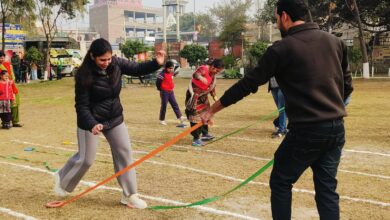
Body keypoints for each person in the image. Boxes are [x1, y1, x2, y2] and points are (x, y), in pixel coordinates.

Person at [201, 1, 353, 219]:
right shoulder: (335, 42)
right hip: (336, 129)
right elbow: (347, 86)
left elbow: (248, 84)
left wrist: (211, 110)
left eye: (275, 18)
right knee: (327, 189)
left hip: (306, 131)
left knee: (281, 181)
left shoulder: (282, 48)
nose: (276, 23)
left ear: (284, 16)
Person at [54, 38, 166, 209]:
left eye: (109, 59)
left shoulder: (116, 64)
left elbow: (137, 69)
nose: (106, 63)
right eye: (102, 60)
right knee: (86, 159)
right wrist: (92, 123)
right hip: (90, 120)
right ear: (92, 56)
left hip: (114, 117)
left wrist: (155, 63)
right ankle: (62, 179)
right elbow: (81, 106)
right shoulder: (84, 74)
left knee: (124, 152)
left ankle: (130, 195)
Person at [185, 59, 224, 147]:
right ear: (213, 67)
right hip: (194, 97)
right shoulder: (204, 68)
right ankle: (196, 139)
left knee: (206, 114)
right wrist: (201, 78)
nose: (217, 72)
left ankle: (205, 134)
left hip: (203, 97)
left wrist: (215, 97)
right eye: (217, 70)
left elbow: (212, 87)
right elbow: (195, 74)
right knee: (195, 117)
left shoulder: (213, 75)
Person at [156, 60, 186, 126]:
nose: (171, 69)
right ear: (166, 67)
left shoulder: (170, 73)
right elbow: (158, 83)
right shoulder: (161, 74)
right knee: (164, 106)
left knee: (175, 104)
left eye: (172, 68)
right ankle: (162, 119)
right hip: (164, 92)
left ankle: (180, 117)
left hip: (171, 92)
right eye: (170, 68)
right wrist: (161, 89)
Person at [0, 51, 22, 127]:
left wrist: (12, 81)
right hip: (2, 89)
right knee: (3, 107)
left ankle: (15, 121)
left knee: (14, 104)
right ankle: (5, 122)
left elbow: (12, 75)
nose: (1, 59)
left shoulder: (8, 64)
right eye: (0, 58)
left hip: (11, 86)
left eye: (2, 57)